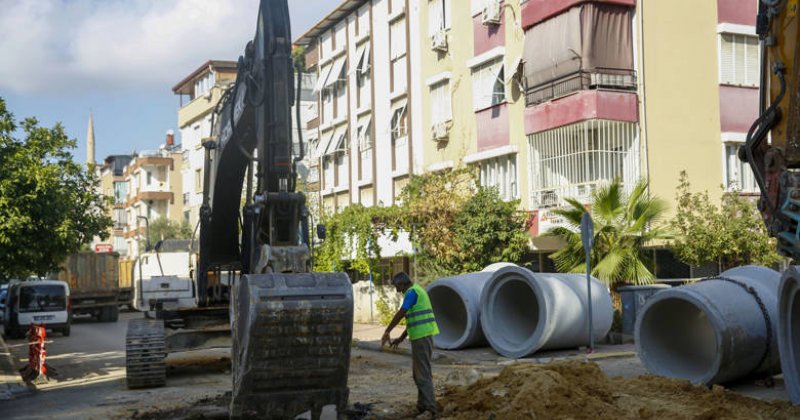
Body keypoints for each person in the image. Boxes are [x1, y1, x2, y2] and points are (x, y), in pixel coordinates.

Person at [381, 272, 439, 418]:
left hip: (422, 337)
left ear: (402, 284)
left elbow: (402, 312)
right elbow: (413, 318)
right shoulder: (417, 290)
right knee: (418, 374)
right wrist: (400, 338)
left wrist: (387, 331)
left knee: (423, 374)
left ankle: (430, 410)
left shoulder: (412, 293)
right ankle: (422, 406)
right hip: (421, 336)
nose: (396, 289)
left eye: (396, 286)